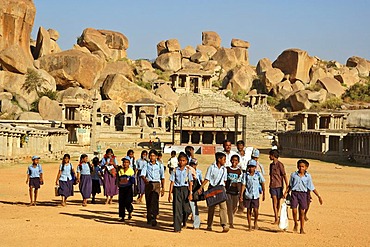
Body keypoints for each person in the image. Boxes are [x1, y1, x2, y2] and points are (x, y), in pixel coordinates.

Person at [283, 159, 323, 234]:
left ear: (306, 167)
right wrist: (286, 192)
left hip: (303, 195)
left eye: (303, 167)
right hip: (294, 194)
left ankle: (302, 228)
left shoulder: (308, 177)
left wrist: (318, 196)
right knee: (294, 210)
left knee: (301, 212)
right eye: (299, 166)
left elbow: (311, 187)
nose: (301, 168)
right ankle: (295, 223)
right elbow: (290, 185)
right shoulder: (293, 175)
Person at [198, 152, 229, 233]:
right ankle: (209, 225)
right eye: (224, 159)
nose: (225, 161)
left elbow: (224, 180)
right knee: (211, 207)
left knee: (223, 207)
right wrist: (201, 187)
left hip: (220, 189)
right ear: (219, 159)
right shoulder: (211, 168)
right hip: (212, 188)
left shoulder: (224, 169)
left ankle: (224, 224)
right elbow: (207, 178)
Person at [168, 152, 193, 232]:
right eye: (180, 160)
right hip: (177, 189)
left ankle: (183, 220)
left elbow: (190, 182)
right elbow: (172, 182)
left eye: (183, 160)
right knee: (177, 209)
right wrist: (169, 194)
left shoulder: (188, 171)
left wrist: (190, 193)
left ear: (186, 161)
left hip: (185, 189)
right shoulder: (175, 170)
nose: (182, 162)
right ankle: (177, 227)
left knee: (187, 209)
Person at [141, 149, 165, 226]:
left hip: (157, 184)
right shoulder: (146, 165)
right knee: (148, 200)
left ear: (156, 156)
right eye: (150, 156)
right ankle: (149, 217)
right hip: (149, 183)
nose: (152, 157)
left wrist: (163, 187)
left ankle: (154, 217)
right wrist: (145, 181)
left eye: (153, 156)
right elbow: (142, 175)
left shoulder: (160, 165)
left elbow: (162, 177)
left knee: (155, 200)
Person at [240, 159, 265, 231]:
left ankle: (255, 222)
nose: (251, 168)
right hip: (248, 195)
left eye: (253, 167)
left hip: (256, 195)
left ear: (255, 167)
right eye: (250, 167)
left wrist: (264, 194)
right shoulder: (245, 175)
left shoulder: (258, 174)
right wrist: (241, 195)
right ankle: (249, 225)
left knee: (256, 210)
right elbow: (243, 184)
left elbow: (263, 183)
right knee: (249, 210)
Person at [269, 149, 288, 224]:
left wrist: (287, 185)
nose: (269, 157)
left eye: (270, 155)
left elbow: (284, 175)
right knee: (274, 201)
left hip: (279, 186)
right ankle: (276, 217)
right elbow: (271, 176)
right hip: (273, 186)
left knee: (278, 202)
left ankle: (277, 215)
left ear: (273, 156)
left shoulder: (280, 165)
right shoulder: (271, 165)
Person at [226, 155, 243, 228]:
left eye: (236, 160)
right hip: (228, 190)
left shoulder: (239, 171)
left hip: (236, 191)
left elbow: (240, 181)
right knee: (229, 207)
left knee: (234, 207)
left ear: (238, 162)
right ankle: (231, 222)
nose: (234, 162)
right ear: (230, 160)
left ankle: (231, 216)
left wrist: (240, 192)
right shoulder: (227, 169)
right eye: (233, 160)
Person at [117, 157, 136, 222]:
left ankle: (130, 210)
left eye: (126, 162)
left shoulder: (131, 171)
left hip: (128, 188)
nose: (125, 164)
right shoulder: (120, 170)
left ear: (129, 163)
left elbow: (133, 180)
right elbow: (118, 179)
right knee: (121, 202)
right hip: (121, 188)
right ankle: (121, 216)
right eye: (124, 162)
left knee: (128, 201)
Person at [189, 160, 202, 230]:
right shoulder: (187, 170)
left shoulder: (199, 172)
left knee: (194, 206)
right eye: (192, 164)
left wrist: (200, 189)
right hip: (187, 188)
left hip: (195, 190)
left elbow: (200, 181)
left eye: (194, 164)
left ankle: (196, 224)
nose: (193, 166)